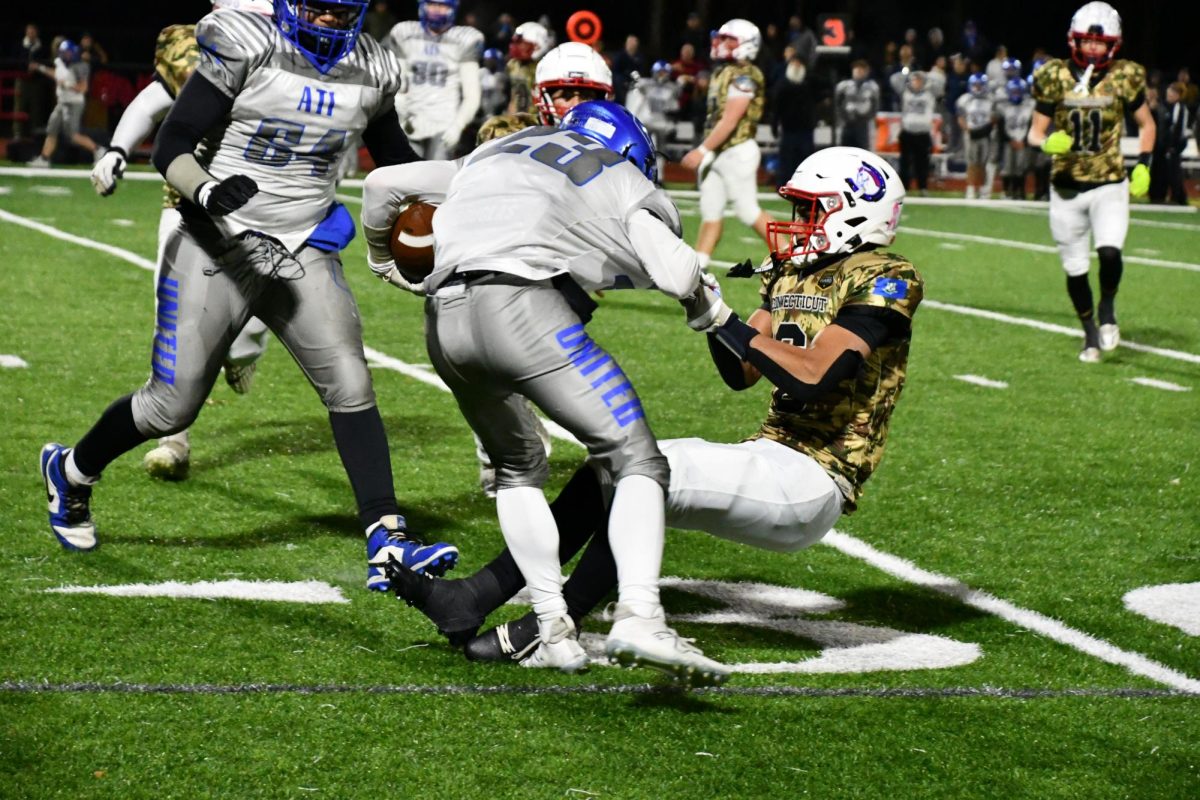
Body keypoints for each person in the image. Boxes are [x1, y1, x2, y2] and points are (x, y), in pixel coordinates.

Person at [388, 147, 923, 674]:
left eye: (812, 209)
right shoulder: (793, 270)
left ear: (857, 210)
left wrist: (722, 321)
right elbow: (741, 373)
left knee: (646, 472)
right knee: (612, 467)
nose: (797, 222)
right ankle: (475, 597)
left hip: (816, 476)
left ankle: (549, 627)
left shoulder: (886, 275)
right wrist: (708, 300)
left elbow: (811, 377)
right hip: (769, 454)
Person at [38, 0, 460, 594]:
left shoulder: (372, 67)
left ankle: (386, 534)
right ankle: (71, 470)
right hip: (219, 240)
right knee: (172, 408)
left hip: (305, 243)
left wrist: (458, 202)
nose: (330, 25)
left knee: (350, 381)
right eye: (320, 10)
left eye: (342, 13)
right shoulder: (247, 43)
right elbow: (173, 142)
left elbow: (398, 166)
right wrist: (207, 192)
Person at [360, 100, 729, 684]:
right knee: (635, 459)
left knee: (517, 467)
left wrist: (385, 260)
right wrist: (709, 308)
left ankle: (552, 627)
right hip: (523, 311)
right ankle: (639, 612)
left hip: (444, 320)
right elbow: (676, 270)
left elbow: (382, 182)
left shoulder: (496, 150)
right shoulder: (618, 170)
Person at [89, 2, 276, 481]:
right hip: (188, 207)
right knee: (177, 329)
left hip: (264, 210)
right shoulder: (195, 46)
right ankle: (174, 441)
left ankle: (240, 355)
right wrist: (116, 150)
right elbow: (153, 99)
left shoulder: (291, 53)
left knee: (248, 331)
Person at [1028, 1, 1155, 362]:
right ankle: (1089, 335)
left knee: (1111, 251)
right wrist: (1046, 143)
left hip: (1109, 182)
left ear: (1114, 44)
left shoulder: (1126, 75)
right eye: (1088, 41)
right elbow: (1034, 132)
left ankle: (1109, 307)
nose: (1095, 48)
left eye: (1101, 43)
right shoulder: (1054, 75)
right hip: (1065, 186)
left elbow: (1147, 124)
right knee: (1076, 268)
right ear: (1075, 41)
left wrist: (1143, 164)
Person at [680, 19, 773, 273]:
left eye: (728, 39)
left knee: (747, 211)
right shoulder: (725, 71)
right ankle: (699, 266)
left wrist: (702, 149)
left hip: (736, 150)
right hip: (719, 151)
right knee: (710, 211)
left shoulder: (745, 75)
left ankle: (790, 257)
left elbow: (731, 120)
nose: (720, 44)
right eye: (720, 38)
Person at [384, 0, 482, 160]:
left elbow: (472, 94)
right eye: (432, 4)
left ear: (452, 8)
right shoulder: (404, 33)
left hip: (444, 123)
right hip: (410, 120)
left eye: (442, 5)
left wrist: (458, 125)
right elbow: (397, 83)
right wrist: (397, 102)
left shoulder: (465, 38)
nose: (436, 10)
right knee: (404, 176)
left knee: (436, 180)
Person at [26, 39, 104, 167]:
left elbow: (83, 88)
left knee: (73, 136)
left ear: (72, 52)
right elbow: (57, 75)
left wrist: (68, 85)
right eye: (63, 52)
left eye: (67, 53)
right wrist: (40, 68)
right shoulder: (61, 63)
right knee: (52, 129)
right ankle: (44, 159)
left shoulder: (80, 65)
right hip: (62, 102)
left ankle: (99, 150)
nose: (64, 55)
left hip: (74, 103)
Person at [956, 73, 996, 199]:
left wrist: (985, 130)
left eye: (980, 85)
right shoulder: (964, 99)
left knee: (984, 163)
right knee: (972, 163)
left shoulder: (991, 99)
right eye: (975, 85)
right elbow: (961, 118)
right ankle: (971, 189)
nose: (978, 87)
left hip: (986, 134)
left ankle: (983, 189)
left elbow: (994, 118)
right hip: (970, 134)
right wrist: (968, 130)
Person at [899, 70, 936, 195]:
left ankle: (923, 187)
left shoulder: (928, 95)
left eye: (919, 80)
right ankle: (904, 187)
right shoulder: (906, 94)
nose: (916, 83)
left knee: (922, 162)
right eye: (914, 80)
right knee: (905, 162)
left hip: (922, 132)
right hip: (907, 131)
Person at [999, 77, 1035, 199]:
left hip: (1023, 141)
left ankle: (1020, 192)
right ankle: (1006, 192)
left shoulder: (1029, 107)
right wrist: (1010, 140)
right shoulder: (1004, 107)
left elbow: (1031, 125)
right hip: (1009, 141)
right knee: (1008, 168)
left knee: (1021, 167)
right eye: (1013, 92)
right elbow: (1001, 127)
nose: (1016, 94)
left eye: (1018, 92)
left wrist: (1024, 141)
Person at [504, 20, 548, 114]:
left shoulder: (546, 67)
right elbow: (512, 95)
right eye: (516, 42)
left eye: (521, 43)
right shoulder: (513, 64)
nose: (516, 46)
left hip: (537, 119)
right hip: (517, 118)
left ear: (537, 45)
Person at [834, 60, 880, 150]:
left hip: (863, 124)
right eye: (856, 69)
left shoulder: (872, 87)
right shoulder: (844, 86)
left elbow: (875, 106)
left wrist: (867, 117)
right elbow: (838, 104)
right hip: (847, 123)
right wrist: (843, 117)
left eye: (861, 69)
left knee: (862, 151)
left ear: (866, 72)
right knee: (845, 151)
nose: (858, 71)